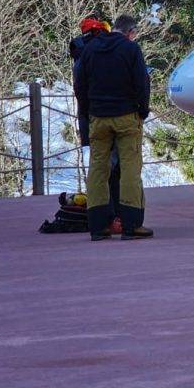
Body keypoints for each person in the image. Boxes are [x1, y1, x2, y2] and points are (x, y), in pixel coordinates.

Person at [75, 14, 152, 241]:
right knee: (130, 168)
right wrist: (142, 110)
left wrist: (90, 110)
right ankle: (131, 224)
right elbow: (142, 83)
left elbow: (80, 84)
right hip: (126, 115)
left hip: (98, 117)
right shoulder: (131, 49)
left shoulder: (90, 49)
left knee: (98, 168)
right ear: (131, 31)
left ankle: (98, 226)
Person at [69, 15, 122, 220]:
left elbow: (80, 91)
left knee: (99, 167)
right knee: (115, 168)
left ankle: (100, 218)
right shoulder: (100, 54)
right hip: (110, 115)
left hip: (90, 118)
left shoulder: (80, 56)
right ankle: (116, 214)